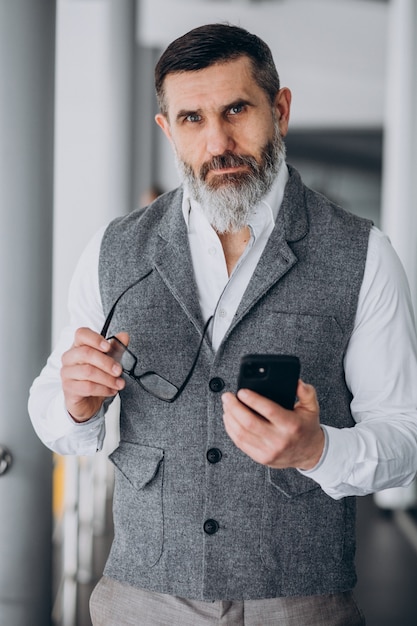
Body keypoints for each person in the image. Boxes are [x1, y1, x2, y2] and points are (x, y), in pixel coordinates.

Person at [28, 23, 417, 626]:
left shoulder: (363, 253)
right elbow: (54, 411)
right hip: (140, 599)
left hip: (299, 601)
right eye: (192, 119)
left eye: (237, 110)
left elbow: (405, 439)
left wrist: (318, 449)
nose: (218, 142)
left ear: (280, 109)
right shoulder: (112, 250)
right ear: (167, 129)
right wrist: (76, 404)